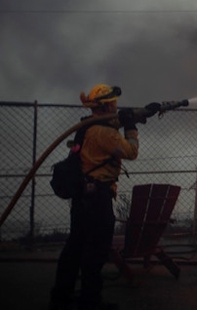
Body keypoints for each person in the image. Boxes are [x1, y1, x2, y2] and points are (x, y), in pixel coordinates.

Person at [50, 84, 140, 310]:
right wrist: (131, 128)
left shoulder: (89, 126)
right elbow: (131, 152)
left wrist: (138, 114)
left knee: (75, 246)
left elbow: (109, 124)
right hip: (98, 197)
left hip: (83, 197)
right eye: (114, 102)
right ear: (107, 104)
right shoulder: (105, 134)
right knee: (96, 250)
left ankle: (62, 295)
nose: (116, 105)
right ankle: (91, 301)